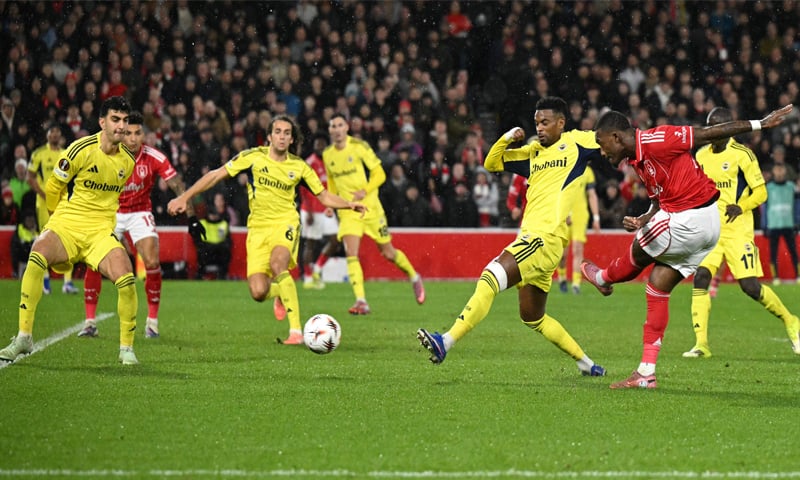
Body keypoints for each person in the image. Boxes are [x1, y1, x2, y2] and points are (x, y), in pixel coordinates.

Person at [581, 104, 794, 389]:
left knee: (638, 249)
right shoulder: (638, 161)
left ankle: (603, 278)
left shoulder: (658, 139)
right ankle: (646, 372)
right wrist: (646, 216)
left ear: (616, 137)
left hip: (693, 217)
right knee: (657, 286)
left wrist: (759, 124)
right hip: (701, 227)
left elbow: (707, 134)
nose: (602, 151)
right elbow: (660, 197)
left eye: (601, 143)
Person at [417, 96, 606, 377]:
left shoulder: (577, 142)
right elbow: (491, 163)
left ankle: (446, 340)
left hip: (542, 239)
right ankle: (587, 363)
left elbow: (613, 138)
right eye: (536, 123)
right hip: (543, 243)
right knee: (534, 317)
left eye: (545, 122)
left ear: (561, 123)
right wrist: (505, 138)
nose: (539, 128)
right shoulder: (532, 154)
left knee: (489, 277)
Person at [167, 115, 366, 344]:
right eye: (278, 132)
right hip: (258, 230)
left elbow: (323, 195)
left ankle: (296, 332)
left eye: (287, 133)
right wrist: (185, 196)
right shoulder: (253, 157)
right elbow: (216, 174)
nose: (282, 136)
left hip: (286, 223)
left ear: (292, 139)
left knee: (278, 264)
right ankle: (281, 292)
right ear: (269, 136)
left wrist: (348, 204)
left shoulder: (299, 167)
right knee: (258, 292)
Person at [0, 96, 141, 365]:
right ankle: (23, 337)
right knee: (37, 253)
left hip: (99, 232)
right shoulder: (80, 149)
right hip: (68, 223)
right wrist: (56, 223)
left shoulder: (127, 161)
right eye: (115, 119)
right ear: (102, 122)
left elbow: (111, 200)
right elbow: (53, 188)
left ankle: (126, 349)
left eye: (125, 120)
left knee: (126, 277)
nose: (122, 126)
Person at [683, 107, 800, 359]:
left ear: (729, 129)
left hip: (737, 232)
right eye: (710, 127)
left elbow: (761, 192)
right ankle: (701, 344)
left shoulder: (743, 155)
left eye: (719, 128)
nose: (714, 133)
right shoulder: (701, 155)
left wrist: (742, 206)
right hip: (711, 231)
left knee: (750, 287)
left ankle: (791, 320)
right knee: (701, 277)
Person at [77, 111, 204, 339]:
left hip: (139, 212)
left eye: (138, 133)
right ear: (121, 134)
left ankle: (152, 323)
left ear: (143, 134)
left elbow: (177, 185)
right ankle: (89, 322)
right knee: (94, 263)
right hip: (111, 211)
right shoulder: (106, 153)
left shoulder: (153, 156)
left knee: (153, 261)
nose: (133, 139)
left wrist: (192, 218)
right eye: (129, 134)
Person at [324, 113, 425, 315]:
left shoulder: (359, 147)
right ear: (330, 130)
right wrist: (331, 203)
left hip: (370, 207)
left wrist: (365, 190)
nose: (336, 129)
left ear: (346, 128)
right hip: (349, 210)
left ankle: (414, 276)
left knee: (388, 253)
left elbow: (380, 173)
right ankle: (361, 300)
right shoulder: (328, 154)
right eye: (333, 126)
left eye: (340, 125)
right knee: (351, 252)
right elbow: (332, 182)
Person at [28, 127, 79, 295]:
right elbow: (30, 177)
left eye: (58, 132)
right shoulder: (39, 154)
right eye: (52, 132)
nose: (55, 135)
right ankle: (45, 280)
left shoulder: (67, 153)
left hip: (63, 203)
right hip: (43, 204)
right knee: (45, 238)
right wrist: (44, 194)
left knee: (68, 239)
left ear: (60, 135)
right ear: (47, 135)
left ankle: (68, 282)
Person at [299, 134, 339, 290]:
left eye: (323, 146)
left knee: (335, 240)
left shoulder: (330, 163)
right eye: (318, 146)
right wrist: (308, 210)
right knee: (310, 244)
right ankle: (308, 278)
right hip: (311, 210)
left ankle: (317, 268)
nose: (320, 148)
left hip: (326, 209)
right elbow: (303, 189)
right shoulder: (310, 164)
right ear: (314, 147)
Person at [554, 165, 601, 294]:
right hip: (564, 215)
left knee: (578, 249)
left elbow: (591, 195)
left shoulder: (588, 171)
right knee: (562, 254)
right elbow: (557, 192)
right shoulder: (563, 167)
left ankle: (576, 283)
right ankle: (562, 277)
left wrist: (596, 218)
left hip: (580, 215)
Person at [764, 162, 800, 285]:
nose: (779, 172)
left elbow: (796, 206)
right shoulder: (769, 188)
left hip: (788, 224)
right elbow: (764, 207)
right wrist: (765, 225)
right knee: (773, 253)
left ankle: (798, 276)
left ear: (785, 171)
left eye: (781, 170)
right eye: (777, 170)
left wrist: (797, 221)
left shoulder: (791, 186)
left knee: (793, 252)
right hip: (774, 225)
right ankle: (776, 278)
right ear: (774, 171)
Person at [193, 208, 232, 279]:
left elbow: (228, 241)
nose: (213, 217)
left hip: (219, 251)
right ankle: (200, 274)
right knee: (201, 252)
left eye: (215, 215)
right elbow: (197, 240)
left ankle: (222, 275)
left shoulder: (223, 224)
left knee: (225, 251)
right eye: (212, 215)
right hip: (206, 250)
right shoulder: (202, 223)